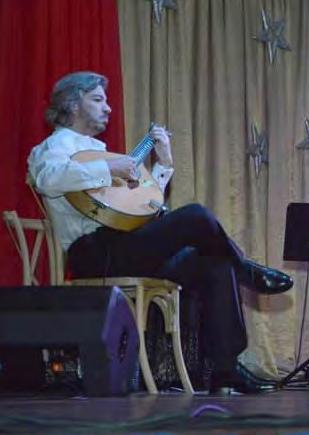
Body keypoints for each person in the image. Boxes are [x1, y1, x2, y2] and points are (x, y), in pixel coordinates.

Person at [28, 71, 294, 394]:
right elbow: (48, 179)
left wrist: (164, 164)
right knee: (196, 215)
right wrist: (109, 168)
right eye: (97, 99)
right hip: (95, 252)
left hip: (127, 247)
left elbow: (139, 207)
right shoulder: (54, 147)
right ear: (72, 105)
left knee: (214, 262)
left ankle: (225, 370)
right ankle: (247, 270)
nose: (108, 107)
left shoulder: (98, 150)